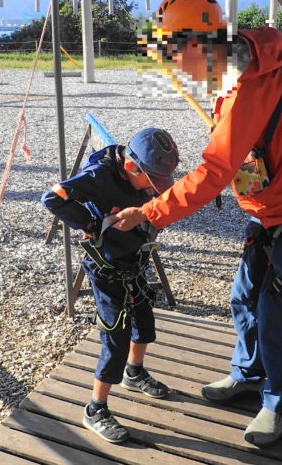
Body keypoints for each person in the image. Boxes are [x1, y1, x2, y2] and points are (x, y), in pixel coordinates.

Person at [112, 0, 282, 446]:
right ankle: (248, 373)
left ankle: (278, 402)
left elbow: (215, 170)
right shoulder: (235, 67)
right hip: (270, 203)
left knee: (278, 306)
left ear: (202, 43)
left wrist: (149, 213)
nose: (179, 67)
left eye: (179, 54)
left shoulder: (252, 81)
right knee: (244, 294)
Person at [41, 127, 180, 444]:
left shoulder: (139, 174)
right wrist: (90, 224)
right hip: (106, 271)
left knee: (144, 323)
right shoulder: (99, 176)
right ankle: (95, 409)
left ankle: (134, 372)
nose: (154, 191)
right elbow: (52, 197)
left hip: (135, 262)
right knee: (115, 337)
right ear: (132, 167)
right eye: (152, 182)